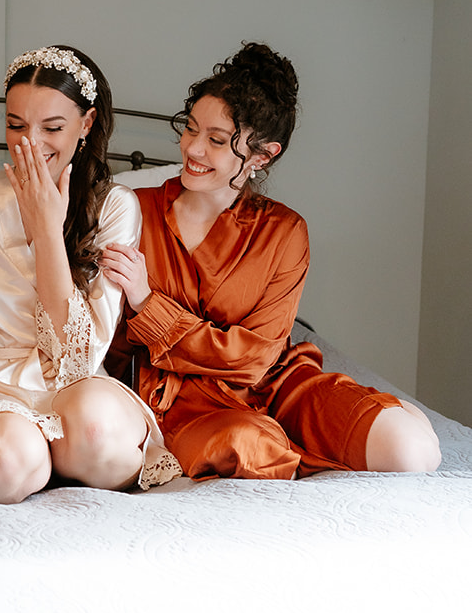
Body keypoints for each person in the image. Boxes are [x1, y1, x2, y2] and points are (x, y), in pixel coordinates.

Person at [103, 43, 441, 480]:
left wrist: (150, 305)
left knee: (409, 451)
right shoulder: (131, 211)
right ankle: (303, 446)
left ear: (263, 156)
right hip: (182, 400)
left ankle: (378, 420)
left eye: (217, 141)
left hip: (278, 385)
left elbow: (256, 359)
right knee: (251, 445)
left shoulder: (284, 231)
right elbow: (106, 344)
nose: (193, 149)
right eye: (190, 129)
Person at [0, 45, 181, 502]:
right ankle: (21, 459)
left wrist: (48, 233)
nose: (30, 142)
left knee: (98, 432)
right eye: (15, 125)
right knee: (11, 459)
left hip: (73, 387)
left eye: (52, 127)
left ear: (86, 124)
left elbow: (78, 360)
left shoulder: (113, 206)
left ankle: (52, 457)